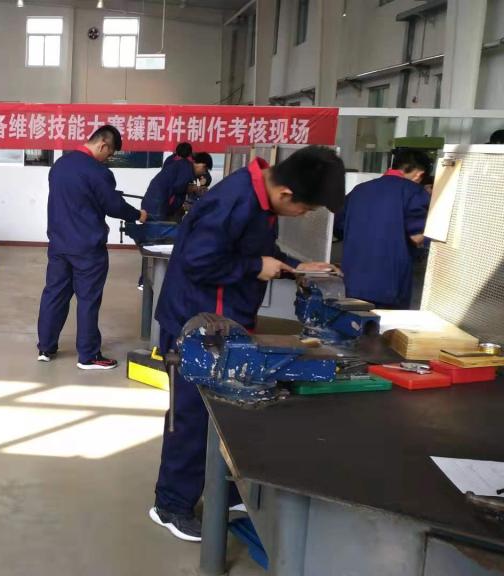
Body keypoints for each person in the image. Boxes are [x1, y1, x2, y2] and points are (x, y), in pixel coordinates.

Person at [150, 146, 345, 541]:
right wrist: (256, 267)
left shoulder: (260, 197)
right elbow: (198, 261)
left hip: (223, 324)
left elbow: (249, 249)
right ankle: (170, 505)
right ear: (287, 193)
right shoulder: (233, 201)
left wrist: (294, 267)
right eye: (305, 209)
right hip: (198, 328)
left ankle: (222, 488)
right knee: (193, 418)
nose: (302, 216)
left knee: (223, 415)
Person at [36, 125, 149, 370]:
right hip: (87, 247)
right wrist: (137, 215)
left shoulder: (60, 165)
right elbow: (114, 206)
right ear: (103, 145)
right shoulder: (98, 172)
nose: (107, 159)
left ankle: (46, 347)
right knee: (88, 300)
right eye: (109, 154)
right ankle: (88, 355)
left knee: (54, 294)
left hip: (59, 244)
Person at [334, 148, 431, 309]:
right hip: (390, 286)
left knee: (355, 321)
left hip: (352, 282)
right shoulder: (414, 192)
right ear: (419, 174)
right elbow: (417, 236)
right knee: (386, 324)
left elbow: (339, 226)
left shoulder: (359, 190)